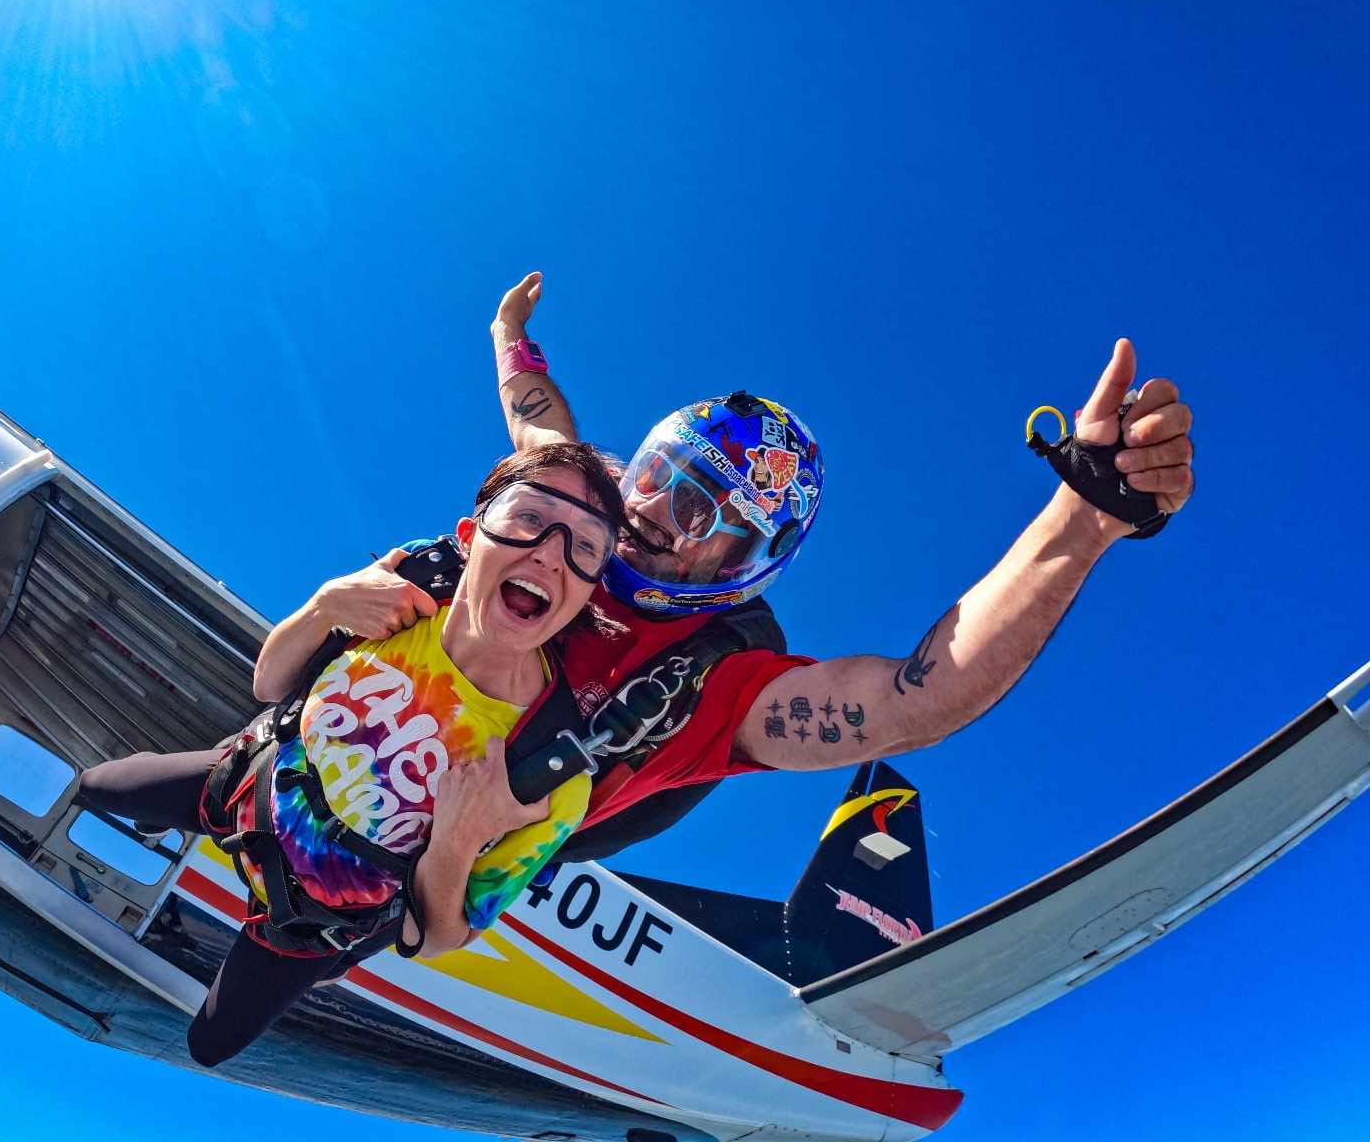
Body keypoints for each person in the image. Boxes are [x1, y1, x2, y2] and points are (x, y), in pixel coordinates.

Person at [300, 271, 1196, 861]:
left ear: (746, 563)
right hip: (348, 731)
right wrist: (507, 331)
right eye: (657, 476)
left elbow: (911, 703)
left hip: (433, 853)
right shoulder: (589, 511)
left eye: (700, 511)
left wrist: (1079, 523)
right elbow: (535, 421)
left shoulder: (714, 682)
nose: (649, 510)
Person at [77, 442, 626, 1066]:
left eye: (585, 547)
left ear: (587, 593)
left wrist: (454, 844)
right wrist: (326, 604)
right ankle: (164, 819)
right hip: (236, 791)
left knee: (211, 1044)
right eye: (530, 516)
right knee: (94, 785)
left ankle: (323, 958)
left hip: (307, 922)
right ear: (471, 536)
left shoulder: (547, 772)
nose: (550, 553)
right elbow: (270, 685)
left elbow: (439, 937)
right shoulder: (399, 601)